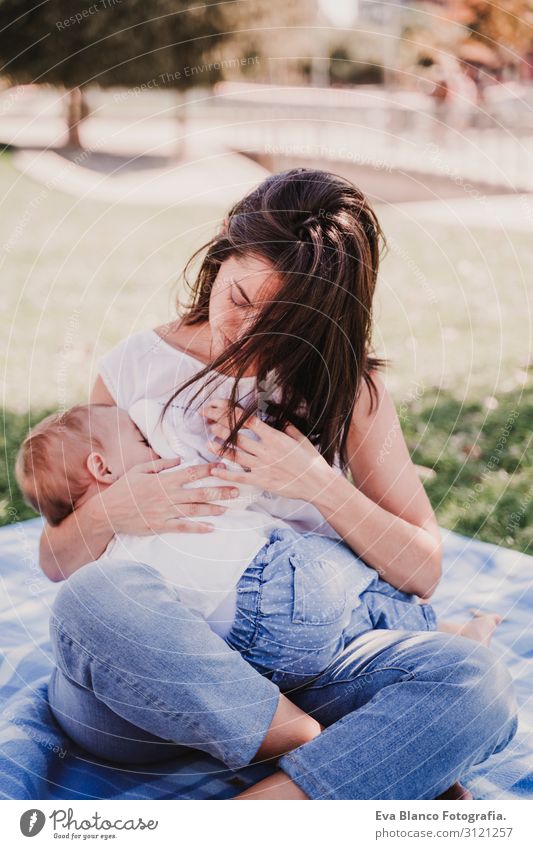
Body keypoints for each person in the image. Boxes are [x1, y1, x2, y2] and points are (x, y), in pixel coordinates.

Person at [40, 169, 518, 799]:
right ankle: (330, 758)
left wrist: (315, 482)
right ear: (220, 260)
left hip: (312, 670)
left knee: (475, 683)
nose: (247, 335)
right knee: (92, 600)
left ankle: (261, 813)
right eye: (238, 300)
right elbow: (55, 558)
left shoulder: (351, 394)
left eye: (283, 324)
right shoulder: (134, 368)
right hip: (159, 684)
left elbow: (422, 570)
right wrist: (115, 512)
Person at [17, 402, 502, 690]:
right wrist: (243, 450)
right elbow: (237, 488)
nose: (153, 448)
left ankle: (439, 642)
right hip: (277, 585)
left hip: (244, 655)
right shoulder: (162, 483)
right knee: (363, 588)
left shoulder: (102, 559)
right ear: (103, 468)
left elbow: (65, 566)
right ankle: (444, 636)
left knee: (349, 638)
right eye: (140, 439)